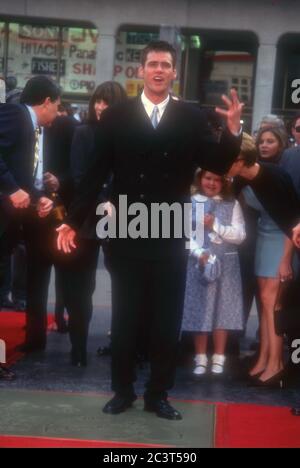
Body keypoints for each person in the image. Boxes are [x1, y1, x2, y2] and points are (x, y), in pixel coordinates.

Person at [57, 40, 243, 420]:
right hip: (127, 228)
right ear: (141, 70)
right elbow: (93, 175)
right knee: (124, 319)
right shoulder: (118, 116)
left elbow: (217, 162)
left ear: (174, 72)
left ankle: (158, 394)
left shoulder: (190, 117)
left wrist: (234, 129)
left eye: (166, 65)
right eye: (153, 63)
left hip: (170, 229)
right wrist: (73, 220)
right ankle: (122, 391)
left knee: (164, 321)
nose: (159, 70)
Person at [63, 81, 127, 366]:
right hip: (87, 216)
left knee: (125, 286)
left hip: (123, 218)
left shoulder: (130, 135)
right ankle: (78, 347)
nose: (100, 107)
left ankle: (123, 346)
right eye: (97, 101)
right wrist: (104, 200)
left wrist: (115, 200)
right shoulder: (82, 133)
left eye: (107, 102)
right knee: (82, 286)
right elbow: (80, 177)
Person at [0, 75, 61, 352]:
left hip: (21, 214)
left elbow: (24, 173)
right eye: (57, 106)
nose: (58, 113)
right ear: (46, 102)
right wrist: (12, 188)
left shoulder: (35, 128)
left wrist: (40, 198)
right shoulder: (16, 114)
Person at [182, 169, 245, 377]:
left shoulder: (231, 204)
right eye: (208, 178)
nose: (212, 183)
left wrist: (215, 225)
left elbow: (240, 236)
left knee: (222, 309)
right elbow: (184, 234)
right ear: (200, 179)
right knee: (200, 308)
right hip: (199, 261)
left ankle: (219, 356)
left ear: (224, 182)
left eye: (217, 179)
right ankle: (200, 357)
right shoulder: (191, 202)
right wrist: (198, 252)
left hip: (226, 263)